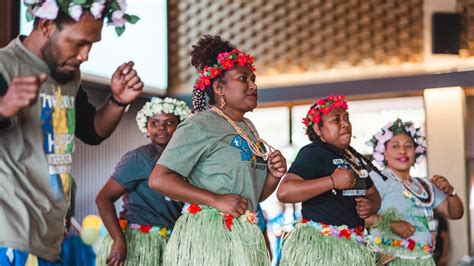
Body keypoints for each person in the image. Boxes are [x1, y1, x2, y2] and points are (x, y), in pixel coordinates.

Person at [0, 1, 143, 264]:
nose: (85, 55)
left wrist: (118, 102)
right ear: (46, 25)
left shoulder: (67, 75)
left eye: (91, 44)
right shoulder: (5, 66)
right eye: (78, 43)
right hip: (9, 236)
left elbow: (92, 131)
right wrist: (3, 107)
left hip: (49, 238)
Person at [148, 35, 287, 266]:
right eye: (244, 79)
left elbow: (254, 195)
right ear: (219, 88)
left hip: (244, 233)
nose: (253, 85)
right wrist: (215, 200)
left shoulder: (249, 129)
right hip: (210, 240)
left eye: (253, 78)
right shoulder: (199, 124)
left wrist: (274, 175)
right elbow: (158, 179)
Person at [276, 95, 381, 266]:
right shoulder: (313, 153)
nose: (345, 123)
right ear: (319, 129)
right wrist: (331, 181)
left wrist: (371, 205)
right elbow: (285, 192)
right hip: (323, 248)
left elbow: (373, 194)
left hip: (355, 246)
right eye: (336, 120)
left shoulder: (355, 159)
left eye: (346, 118)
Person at [95, 97, 191, 266]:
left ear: (180, 125)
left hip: (173, 242)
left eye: (169, 122)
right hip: (140, 243)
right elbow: (103, 198)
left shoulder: (186, 159)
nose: (161, 128)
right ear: (146, 127)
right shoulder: (138, 158)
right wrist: (118, 240)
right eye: (154, 123)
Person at [366, 118, 464, 265]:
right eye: (395, 146)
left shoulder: (425, 185)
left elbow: (455, 214)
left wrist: (451, 192)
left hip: (423, 259)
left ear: (416, 152)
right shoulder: (377, 178)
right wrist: (391, 224)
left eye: (408, 146)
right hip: (392, 259)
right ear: (383, 153)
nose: (402, 151)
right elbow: (358, 216)